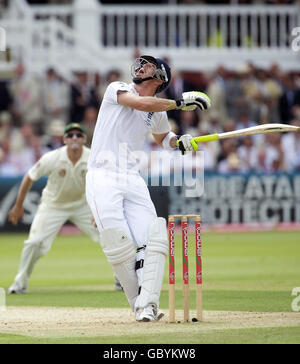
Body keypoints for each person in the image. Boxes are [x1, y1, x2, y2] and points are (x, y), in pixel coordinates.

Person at [85, 55, 211, 322]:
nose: (142, 67)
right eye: (143, 64)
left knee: (153, 237)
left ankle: (148, 305)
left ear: (160, 79)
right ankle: (138, 304)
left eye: (150, 66)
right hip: (102, 175)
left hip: (132, 177)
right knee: (118, 244)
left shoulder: (158, 110)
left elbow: (163, 136)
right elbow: (140, 104)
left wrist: (179, 142)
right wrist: (180, 104)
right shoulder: (117, 89)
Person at [7, 123, 100, 294]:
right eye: (70, 135)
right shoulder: (53, 157)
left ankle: (121, 281)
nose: (74, 138)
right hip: (53, 205)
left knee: (109, 236)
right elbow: (29, 177)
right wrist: (18, 205)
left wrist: (99, 209)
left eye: (78, 135)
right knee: (34, 243)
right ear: (64, 139)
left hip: (82, 205)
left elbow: (102, 184)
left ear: (84, 139)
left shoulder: (92, 158)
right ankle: (20, 283)